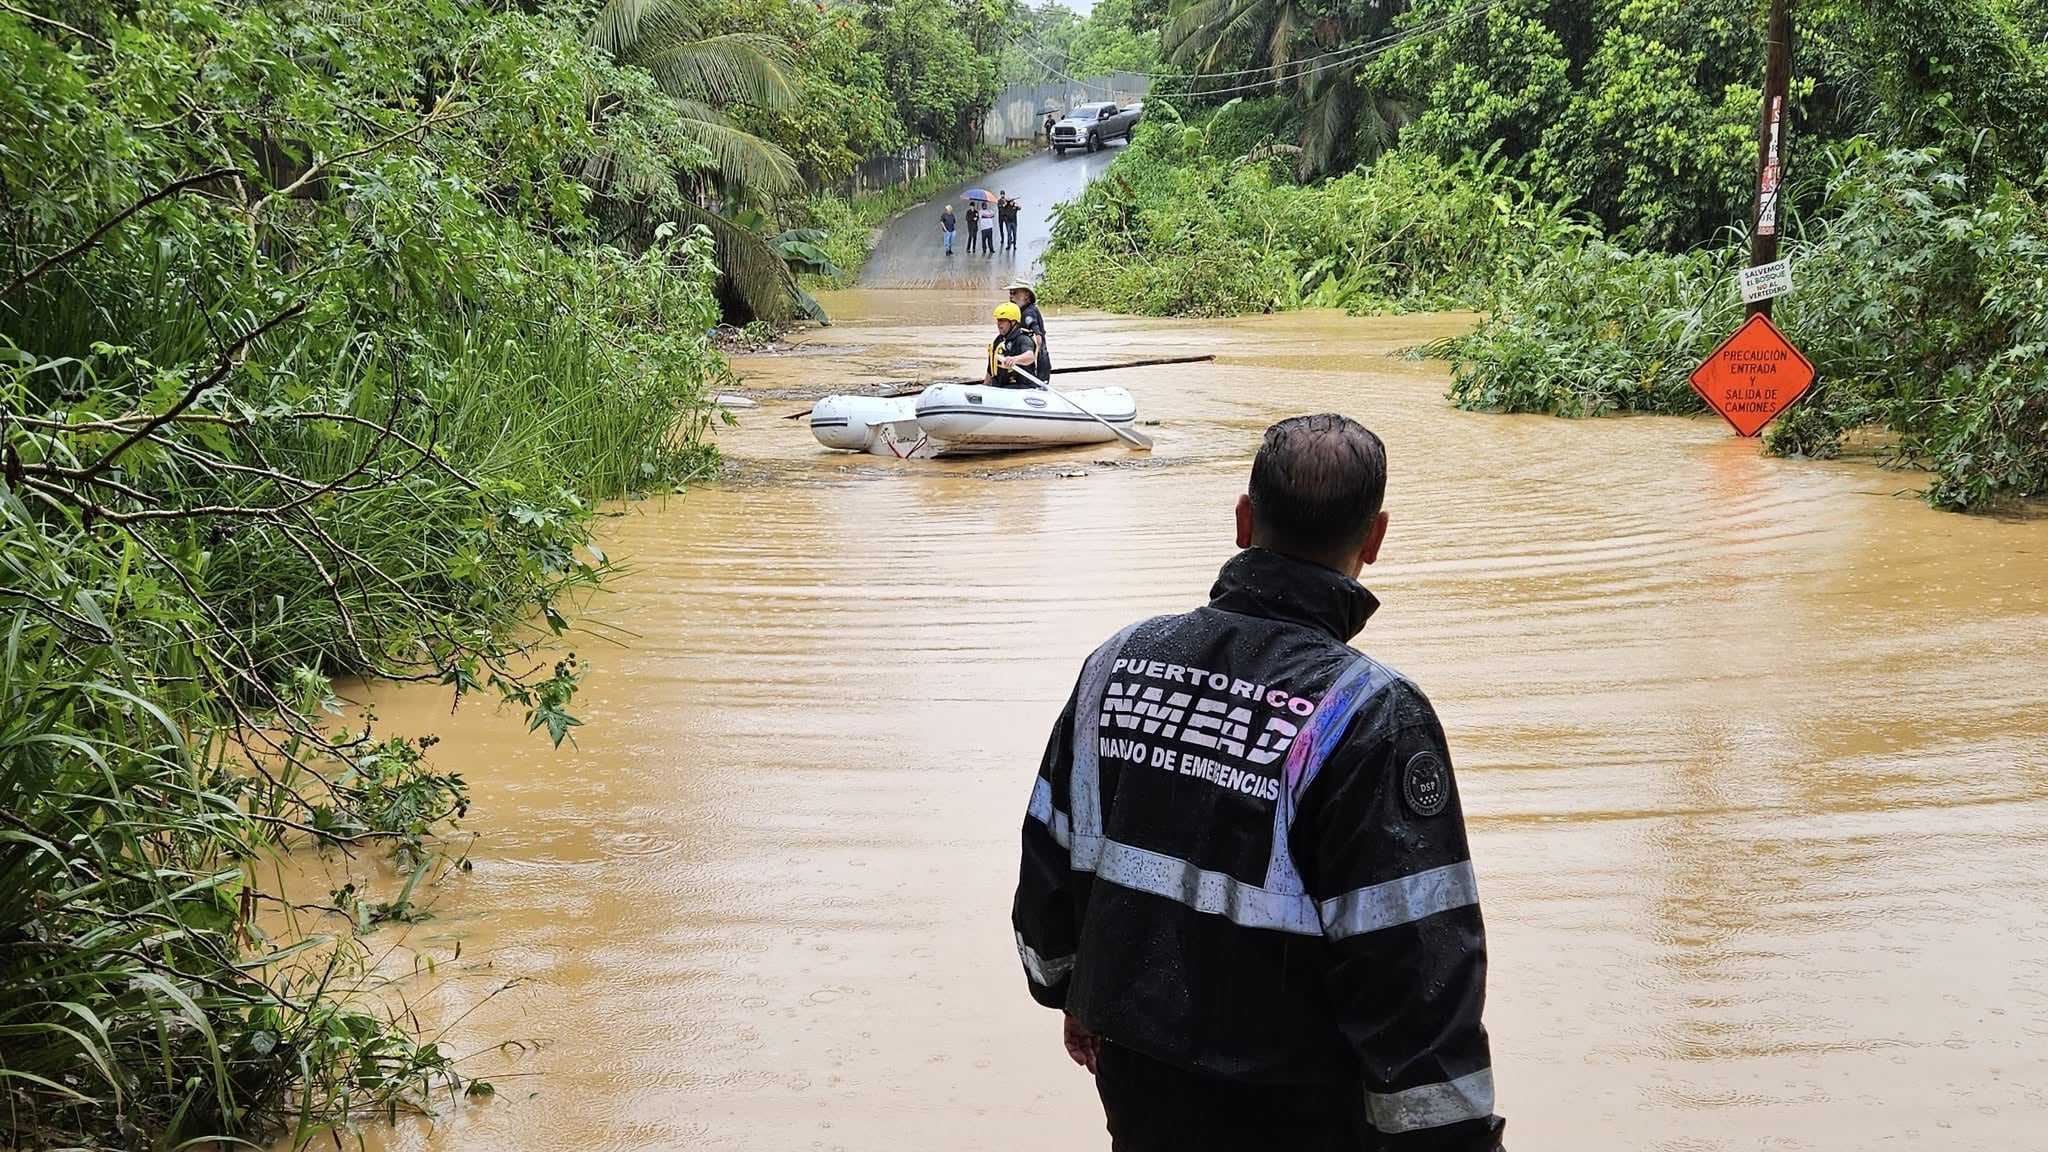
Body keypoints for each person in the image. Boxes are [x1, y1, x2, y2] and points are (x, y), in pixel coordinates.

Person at [1012, 414, 1507, 1152]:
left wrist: (1072, 991)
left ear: (1244, 522)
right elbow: (1412, 967)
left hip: (1138, 1084)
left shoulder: (1118, 663)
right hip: (1295, 1110)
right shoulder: (1370, 714)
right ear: (1374, 538)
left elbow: (1050, 858)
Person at [985, 302, 1039, 389]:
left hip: (1021, 388)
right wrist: (985, 386)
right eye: (998, 320)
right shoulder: (998, 341)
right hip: (1000, 387)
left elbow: (1030, 356)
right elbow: (991, 369)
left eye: (1002, 320)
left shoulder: (1023, 339)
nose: (999, 324)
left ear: (1013, 322)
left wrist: (1015, 359)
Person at [1005, 279, 1049, 381]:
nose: (1011, 296)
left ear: (1027, 296)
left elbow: (1037, 334)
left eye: (1014, 293)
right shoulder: (1023, 311)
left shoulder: (1028, 313)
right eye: (1010, 293)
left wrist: (1033, 358)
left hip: (1037, 366)